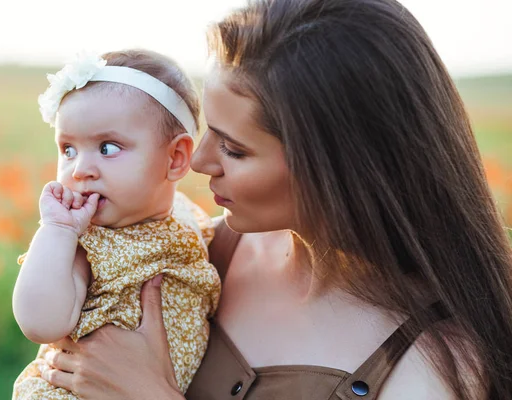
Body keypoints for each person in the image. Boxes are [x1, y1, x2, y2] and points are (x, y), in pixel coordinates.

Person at [37, 0, 512, 399]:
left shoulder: (442, 358)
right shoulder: (202, 250)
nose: (199, 162)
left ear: (338, 168)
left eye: (234, 149)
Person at [11, 50, 221, 399]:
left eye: (107, 148)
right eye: (68, 150)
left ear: (176, 158)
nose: (80, 170)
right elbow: (39, 322)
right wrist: (58, 231)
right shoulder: (89, 242)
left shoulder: (185, 218)